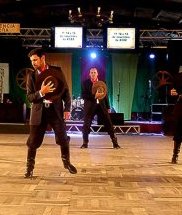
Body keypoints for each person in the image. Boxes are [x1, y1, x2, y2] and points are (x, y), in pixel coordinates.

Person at [25, 48, 77, 178]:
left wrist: (67, 109)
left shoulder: (56, 71)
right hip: (39, 112)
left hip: (55, 111)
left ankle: (66, 162)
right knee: (33, 142)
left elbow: (65, 92)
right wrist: (41, 92)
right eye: (31, 61)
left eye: (35, 60)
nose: (33, 63)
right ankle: (29, 168)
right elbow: (30, 97)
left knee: (63, 138)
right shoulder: (31, 76)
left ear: (43, 58)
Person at [80, 68, 120, 149]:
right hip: (90, 107)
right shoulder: (85, 83)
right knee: (86, 125)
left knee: (109, 123)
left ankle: (115, 143)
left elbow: (105, 95)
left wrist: (108, 107)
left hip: (101, 106)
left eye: (94, 72)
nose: (93, 74)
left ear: (97, 74)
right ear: (89, 74)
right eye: (91, 72)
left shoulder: (102, 82)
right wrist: (94, 96)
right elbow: (83, 95)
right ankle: (85, 143)